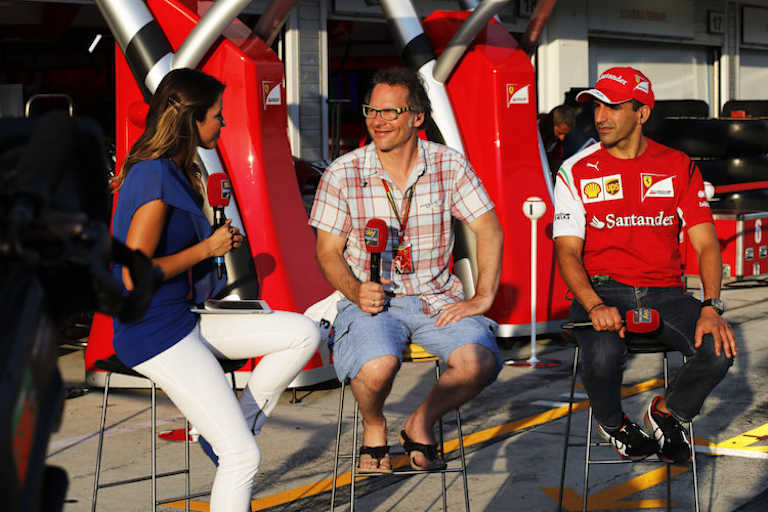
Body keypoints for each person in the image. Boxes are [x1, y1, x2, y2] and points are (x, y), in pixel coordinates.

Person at [110, 68, 321, 511]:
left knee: (302, 332)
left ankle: (233, 426)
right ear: (193, 120)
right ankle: (231, 438)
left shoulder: (178, 171)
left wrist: (212, 249)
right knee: (242, 457)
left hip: (184, 317)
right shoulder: (154, 176)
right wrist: (208, 246)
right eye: (217, 116)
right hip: (154, 333)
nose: (222, 124)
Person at [309, 67, 503, 473]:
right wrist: (355, 289)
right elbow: (327, 252)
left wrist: (482, 297)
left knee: (480, 362)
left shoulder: (449, 164)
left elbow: (489, 229)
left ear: (417, 117)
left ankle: (421, 421)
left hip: (437, 298)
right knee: (378, 366)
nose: (377, 121)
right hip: (371, 302)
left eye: (390, 112)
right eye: (371, 111)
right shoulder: (343, 172)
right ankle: (375, 425)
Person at [553, 67, 737, 463]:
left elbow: (706, 245)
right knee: (601, 356)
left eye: (613, 106)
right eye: (597, 106)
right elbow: (567, 253)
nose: (601, 116)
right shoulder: (575, 170)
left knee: (719, 349)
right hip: (602, 290)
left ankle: (669, 413)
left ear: (641, 113)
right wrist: (594, 305)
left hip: (667, 293)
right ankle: (614, 423)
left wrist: (711, 307)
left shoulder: (678, 164)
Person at [539, 104, 575, 176]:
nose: (562, 138)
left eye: (565, 134)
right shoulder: (536, 129)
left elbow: (557, 160)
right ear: (552, 124)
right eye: (560, 133)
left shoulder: (557, 139)